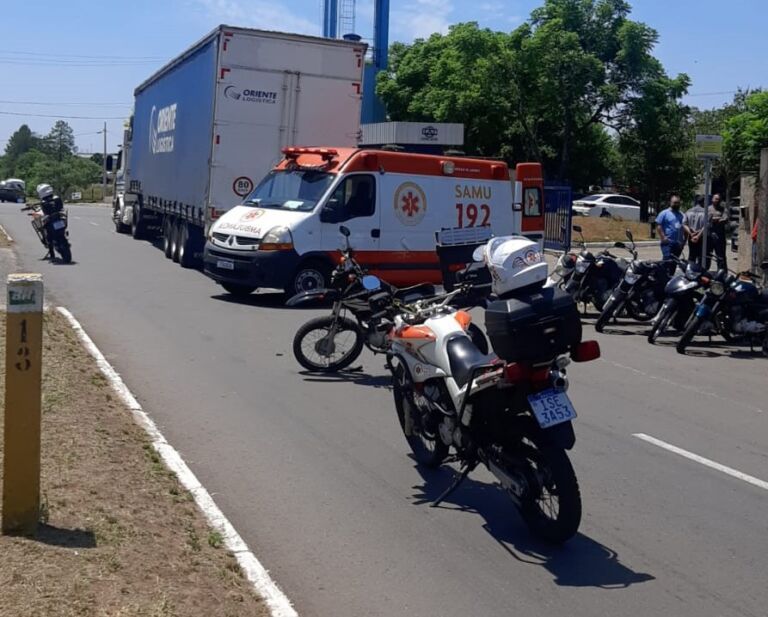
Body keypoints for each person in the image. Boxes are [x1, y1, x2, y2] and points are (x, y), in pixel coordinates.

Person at [655, 194, 685, 271]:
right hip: (667, 242)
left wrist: (683, 242)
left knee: (674, 263)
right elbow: (658, 225)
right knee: (667, 260)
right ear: (670, 202)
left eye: (678, 202)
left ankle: (670, 279)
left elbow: (684, 227)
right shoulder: (664, 213)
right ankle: (662, 279)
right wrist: (663, 237)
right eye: (674, 202)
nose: (676, 204)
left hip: (678, 244)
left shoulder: (681, 214)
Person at [36, 183, 64, 260]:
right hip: (59, 218)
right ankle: (53, 252)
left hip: (52, 220)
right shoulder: (56, 198)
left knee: (47, 233)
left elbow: (44, 212)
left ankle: (52, 254)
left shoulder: (44, 202)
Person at [707, 193, 727, 271]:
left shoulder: (723, 209)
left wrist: (713, 219)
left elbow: (725, 219)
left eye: (718, 199)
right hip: (709, 236)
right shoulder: (708, 209)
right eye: (715, 199)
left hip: (720, 236)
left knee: (721, 256)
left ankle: (722, 273)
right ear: (712, 199)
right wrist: (718, 219)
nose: (717, 200)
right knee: (707, 256)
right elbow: (707, 220)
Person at [683, 196, 706, 265]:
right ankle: (699, 273)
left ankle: (690, 271)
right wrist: (698, 235)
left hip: (691, 237)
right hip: (702, 237)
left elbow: (684, 224)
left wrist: (691, 233)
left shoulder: (688, 211)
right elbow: (706, 226)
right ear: (703, 202)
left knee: (691, 255)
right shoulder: (706, 212)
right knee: (701, 256)